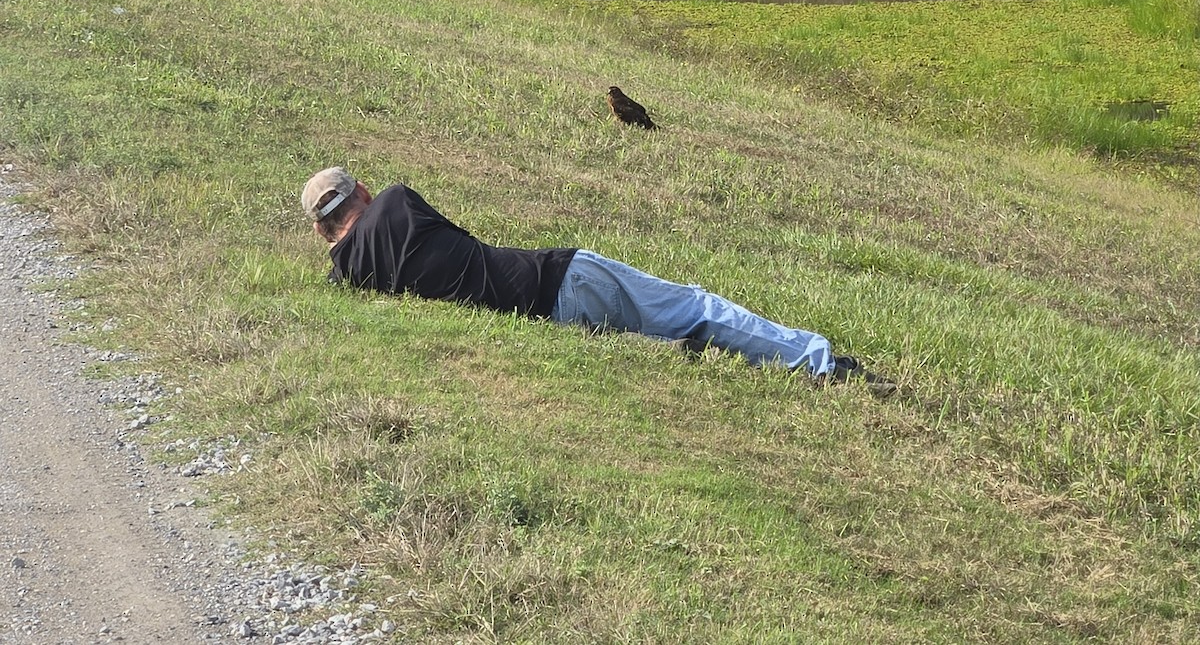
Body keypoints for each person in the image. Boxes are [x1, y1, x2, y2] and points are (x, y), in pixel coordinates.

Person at [301, 166, 890, 389]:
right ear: (363, 192)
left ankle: (685, 346)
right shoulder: (398, 201)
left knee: (674, 326)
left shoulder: (346, 279)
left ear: (325, 233)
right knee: (697, 307)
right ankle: (821, 364)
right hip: (560, 277)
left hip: (550, 322)